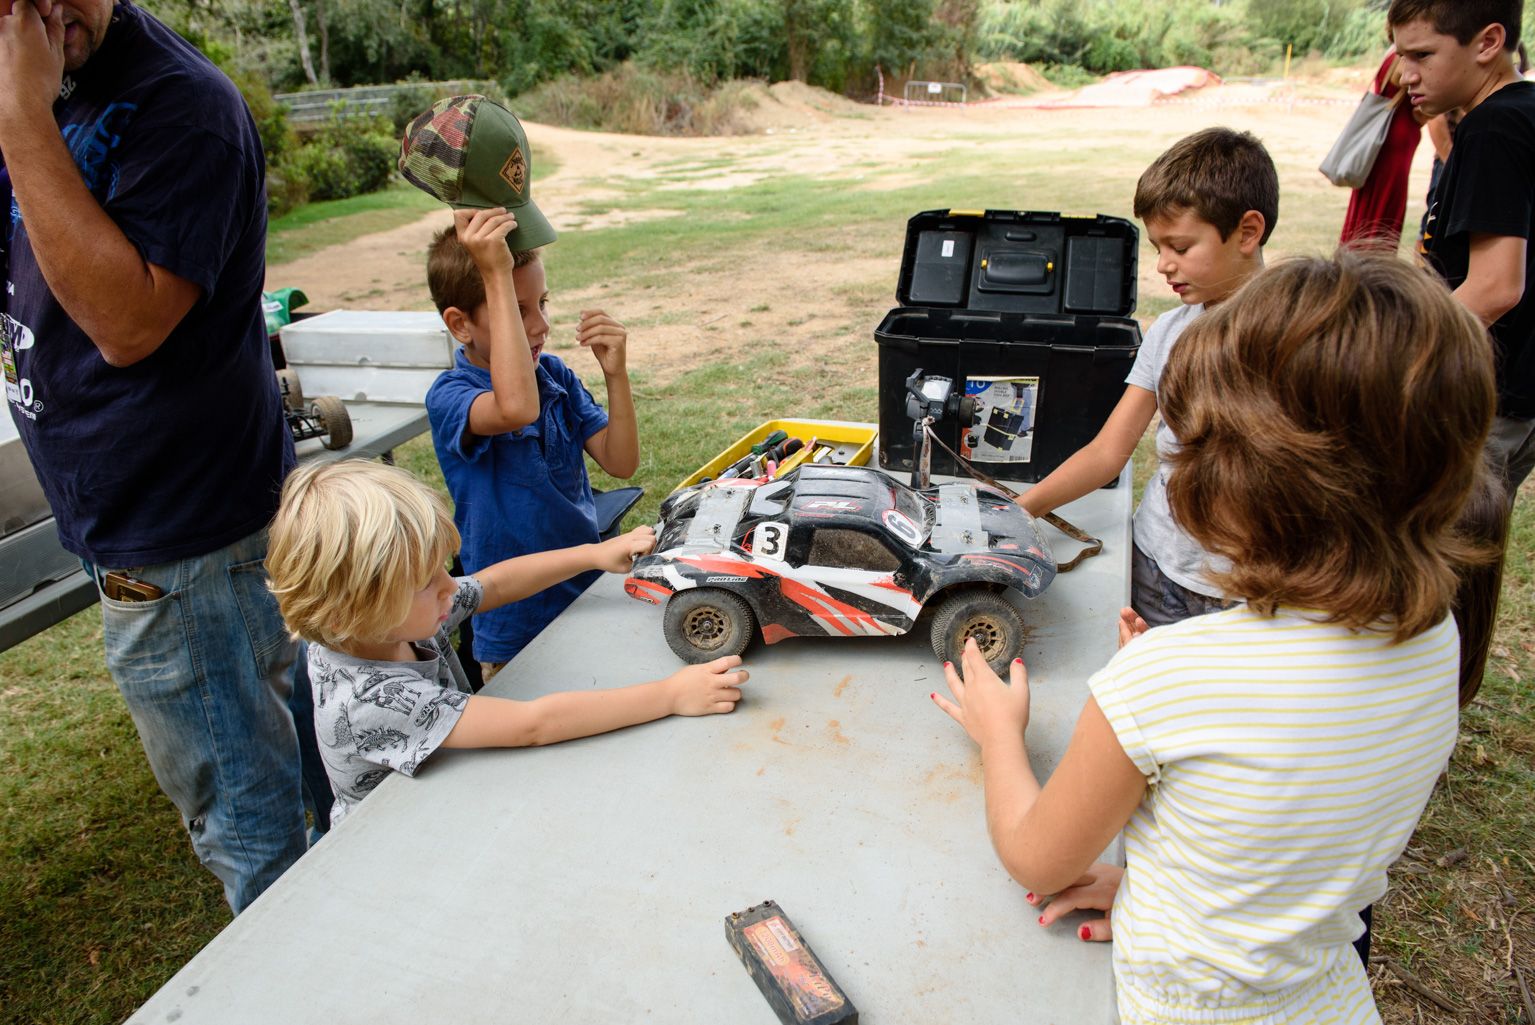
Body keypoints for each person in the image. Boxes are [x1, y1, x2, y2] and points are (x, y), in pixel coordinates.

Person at [935, 250, 1497, 1025]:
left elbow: (1035, 856)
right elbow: (1281, 832)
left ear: (1243, 483)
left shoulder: (1173, 674)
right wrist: (1149, 886)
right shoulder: (1436, 639)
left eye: (1189, 447)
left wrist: (1002, 734)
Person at [0, 0, 309, 910]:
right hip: (139, 519)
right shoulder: (43, 86)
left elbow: (129, 325)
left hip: (185, 534)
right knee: (291, 772)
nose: (48, 17)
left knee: (248, 817)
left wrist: (20, 118)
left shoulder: (180, 105)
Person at [264, 459, 747, 827]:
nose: (448, 586)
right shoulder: (374, 699)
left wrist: (592, 554)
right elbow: (533, 724)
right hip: (392, 838)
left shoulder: (389, 621)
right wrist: (669, 695)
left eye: (441, 568)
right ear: (357, 605)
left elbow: (490, 585)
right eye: (426, 580)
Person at [1015, 127, 1277, 626]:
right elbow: (1108, 451)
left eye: (1179, 245)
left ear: (1247, 231)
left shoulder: (1301, 341)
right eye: (1158, 246)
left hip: (1250, 591)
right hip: (1155, 566)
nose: (1162, 265)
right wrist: (1021, 510)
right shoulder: (1169, 333)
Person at [425, 205, 639, 681]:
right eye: (517, 310)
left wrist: (616, 375)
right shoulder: (451, 397)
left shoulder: (554, 375)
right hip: (513, 624)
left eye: (542, 303)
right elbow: (515, 407)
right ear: (461, 324)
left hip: (587, 590)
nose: (542, 325)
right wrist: (494, 270)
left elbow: (620, 462)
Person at [1393, 0, 1535, 497]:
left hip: (1478, 391)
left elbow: (1496, 286)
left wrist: (1396, 363)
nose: (1405, 74)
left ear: (1489, 43)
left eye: (1422, 55)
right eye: (1401, 55)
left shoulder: (1492, 128)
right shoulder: (1522, 111)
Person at [1340, 47, 1425, 248]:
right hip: (1394, 138)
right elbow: (1421, 107)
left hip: (1384, 138)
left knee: (1369, 203)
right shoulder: (1404, 58)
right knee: (1384, 206)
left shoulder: (1392, 53)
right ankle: (1371, 261)